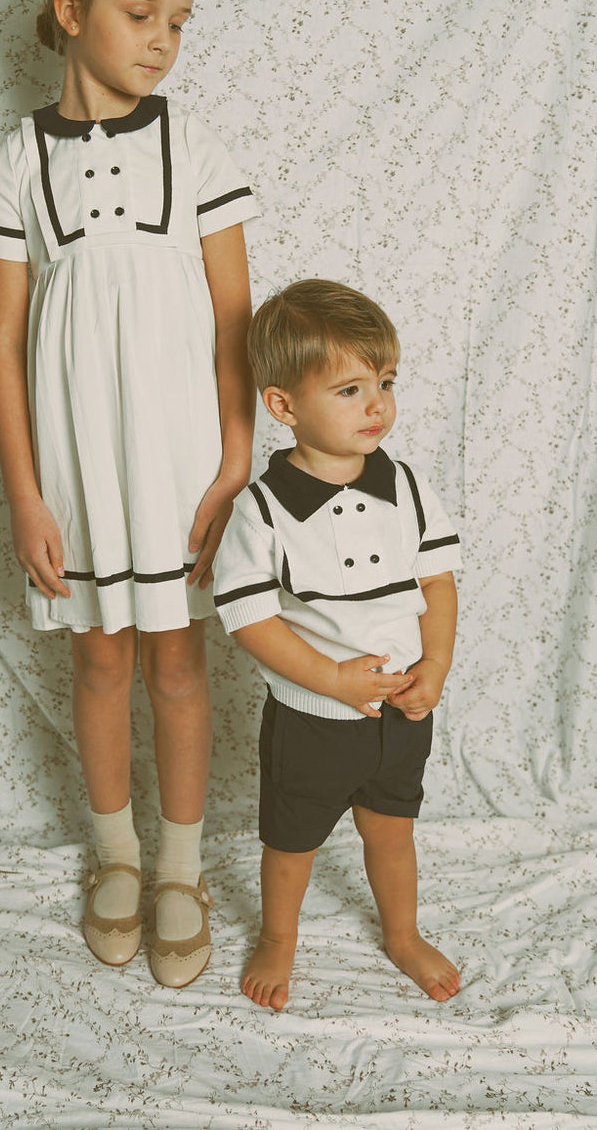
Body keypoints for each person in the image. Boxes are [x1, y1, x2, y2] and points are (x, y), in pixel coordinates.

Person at [0, 0, 256, 988]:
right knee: (98, 654)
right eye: (141, 14)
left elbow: (234, 320)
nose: (162, 39)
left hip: (181, 459)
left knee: (176, 658)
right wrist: (24, 494)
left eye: (179, 21)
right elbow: (1, 342)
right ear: (71, 10)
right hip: (76, 462)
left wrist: (234, 461)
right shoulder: (17, 163)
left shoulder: (196, 149)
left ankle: (181, 866)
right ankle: (117, 855)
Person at [212, 279, 461, 1010]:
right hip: (312, 720)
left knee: (392, 833)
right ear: (283, 406)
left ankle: (403, 934)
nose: (376, 404)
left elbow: (437, 581)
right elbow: (249, 618)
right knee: (292, 844)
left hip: (401, 711)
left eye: (385, 382)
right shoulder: (261, 509)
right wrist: (330, 678)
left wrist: (435, 665)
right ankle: (278, 937)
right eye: (350, 390)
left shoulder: (407, 486)